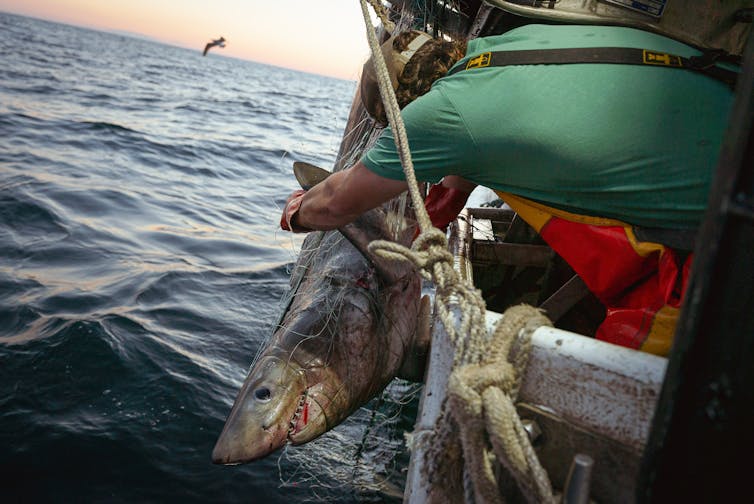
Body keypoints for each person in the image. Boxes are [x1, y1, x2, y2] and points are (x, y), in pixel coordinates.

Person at [280, 3, 749, 356]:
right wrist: (444, 199)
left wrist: (299, 214)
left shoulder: (435, 119)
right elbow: (477, 146)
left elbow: (338, 203)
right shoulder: (516, 44)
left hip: (727, 227)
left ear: (404, 110)